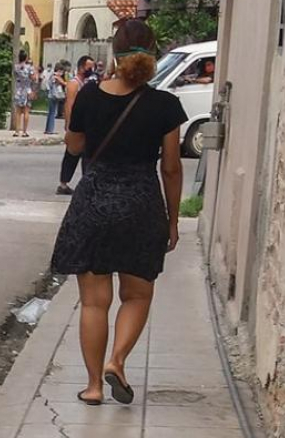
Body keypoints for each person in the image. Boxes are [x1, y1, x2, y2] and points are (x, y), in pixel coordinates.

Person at [50, 20, 186, 406]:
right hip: (141, 203)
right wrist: (172, 220)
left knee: (95, 302)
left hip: (93, 201)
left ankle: (93, 386)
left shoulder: (90, 96)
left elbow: (74, 147)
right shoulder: (165, 105)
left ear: (114, 53)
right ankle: (118, 361)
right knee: (137, 294)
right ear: (152, 53)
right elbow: (172, 168)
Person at [57, 55, 95, 194]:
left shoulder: (87, 83)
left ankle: (87, 183)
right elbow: (69, 104)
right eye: (89, 67)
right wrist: (69, 125)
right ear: (81, 68)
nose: (91, 70)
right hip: (77, 125)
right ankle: (63, 184)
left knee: (88, 155)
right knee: (72, 154)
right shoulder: (74, 83)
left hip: (87, 125)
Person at [12, 50, 37, 137]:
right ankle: (24, 131)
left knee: (18, 112)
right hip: (27, 90)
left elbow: (16, 77)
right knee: (26, 111)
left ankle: (16, 131)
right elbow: (33, 78)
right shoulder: (30, 67)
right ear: (26, 57)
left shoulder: (16, 67)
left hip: (19, 90)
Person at [45, 62, 69, 135]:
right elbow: (64, 83)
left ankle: (48, 129)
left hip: (51, 95)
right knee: (52, 113)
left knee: (51, 112)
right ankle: (50, 130)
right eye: (60, 71)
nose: (61, 72)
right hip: (54, 95)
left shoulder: (53, 75)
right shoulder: (55, 76)